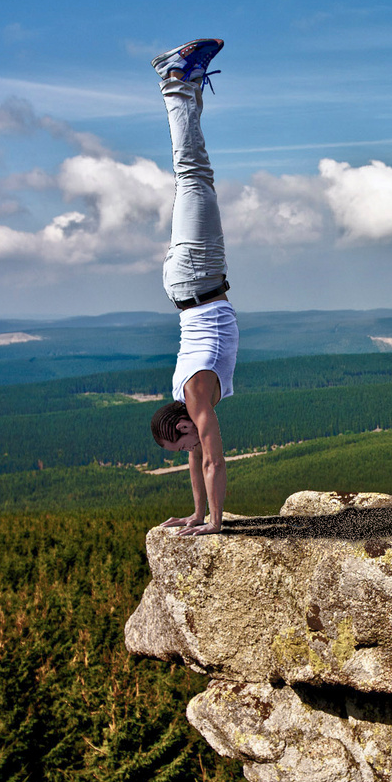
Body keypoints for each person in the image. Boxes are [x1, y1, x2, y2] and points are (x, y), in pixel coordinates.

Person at [147, 38, 237, 537]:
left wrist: (218, 523)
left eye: (182, 443)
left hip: (199, 278)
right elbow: (198, 463)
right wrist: (199, 515)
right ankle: (185, 86)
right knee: (192, 178)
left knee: (193, 175)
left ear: (182, 424)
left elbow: (214, 462)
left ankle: (175, 81)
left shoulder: (198, 395)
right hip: (191, 283)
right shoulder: (187, 397)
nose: (189, 448)